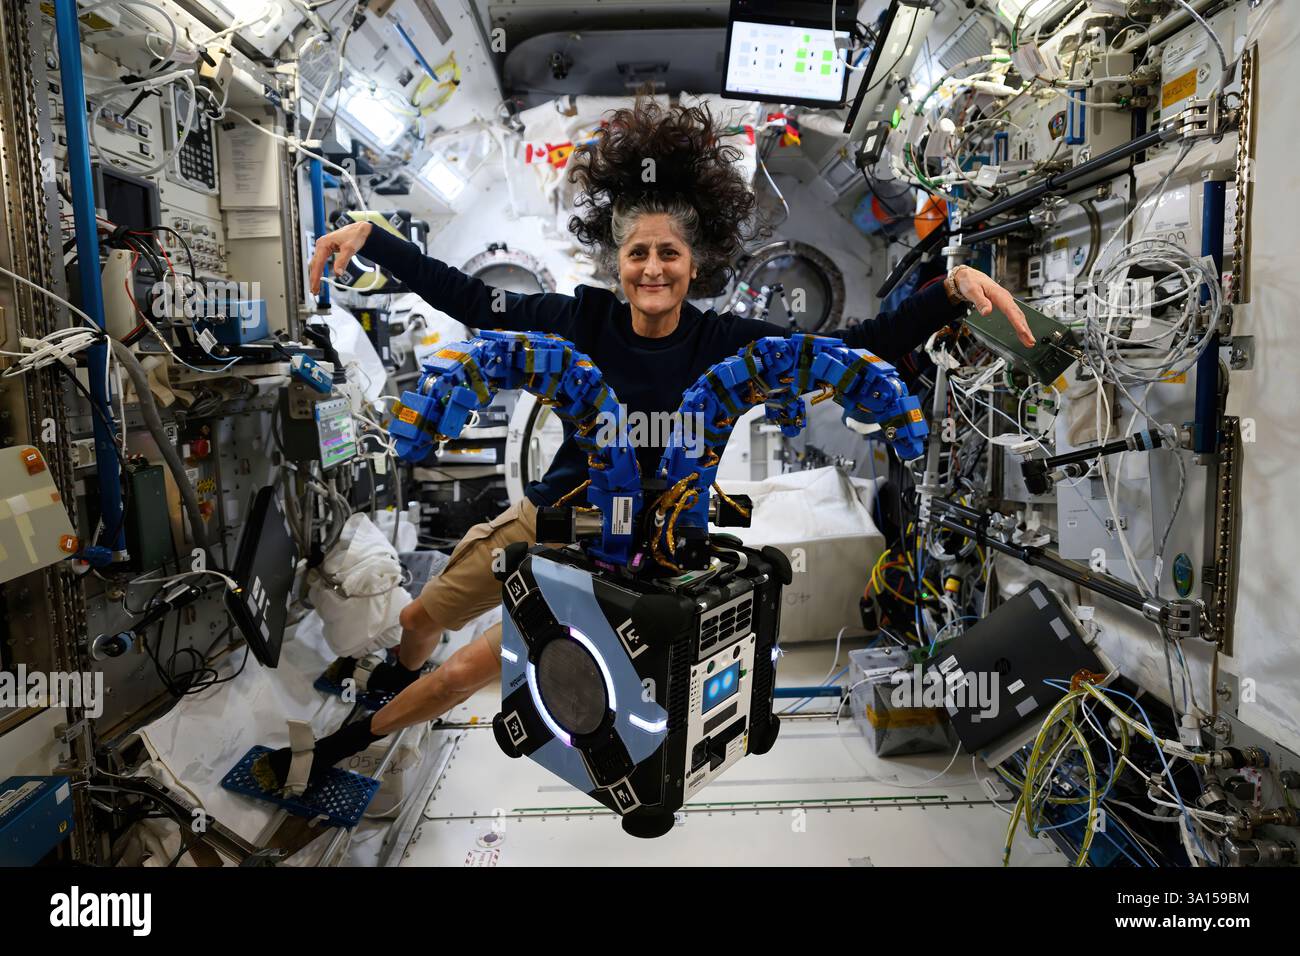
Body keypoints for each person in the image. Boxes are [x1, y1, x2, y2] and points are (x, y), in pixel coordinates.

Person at [251, 96, 1031, 790]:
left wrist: (948, 290)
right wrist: (375, 238)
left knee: (463, 670)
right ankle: (385, 690)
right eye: (637, 254)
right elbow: (472, 299)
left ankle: (335, 752)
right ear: (616, 261)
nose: (652, 268)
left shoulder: (728, 342)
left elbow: (853, 342)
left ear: (695, 264)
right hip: (548, 516)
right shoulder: (578, 320)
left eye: (669, 254)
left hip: (624, 550)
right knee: (421, 620)